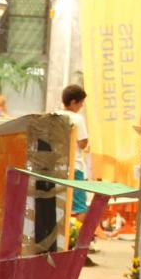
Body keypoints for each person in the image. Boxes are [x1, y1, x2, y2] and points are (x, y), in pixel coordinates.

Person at [59, 84, 89, 219]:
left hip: (56, 167)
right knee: (80, 206)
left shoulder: (54, 115)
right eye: (81, 103)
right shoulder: (77, 118)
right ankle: (78, 238)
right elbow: (83, 143)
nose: (81, 107)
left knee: (60, 205)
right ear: (73, 102)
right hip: (74, 167)